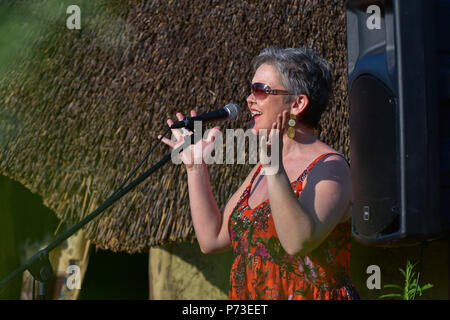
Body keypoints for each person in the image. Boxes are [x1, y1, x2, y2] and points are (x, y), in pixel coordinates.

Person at [159, 47, 360, 300]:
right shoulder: (261, 168)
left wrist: (274, 167)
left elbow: (296, 242)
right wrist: (195, 167)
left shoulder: (331, 167)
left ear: (298, 103)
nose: (249, 99)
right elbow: (211, 240)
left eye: (261, 90)